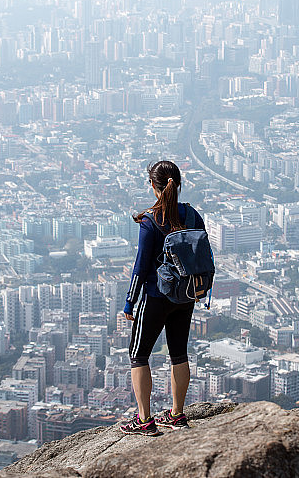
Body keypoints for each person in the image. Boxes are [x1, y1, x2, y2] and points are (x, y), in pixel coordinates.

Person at [120, 160, 205, 436]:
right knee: (179, 353)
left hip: (156, 297)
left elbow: (141, 266)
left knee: (138, 354)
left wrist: (129, 302)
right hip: (186, 296)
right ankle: (177, 414)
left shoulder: (150, 221)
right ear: (178, 185)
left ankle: (144, 420)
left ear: (153, 187)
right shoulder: (192, 216)